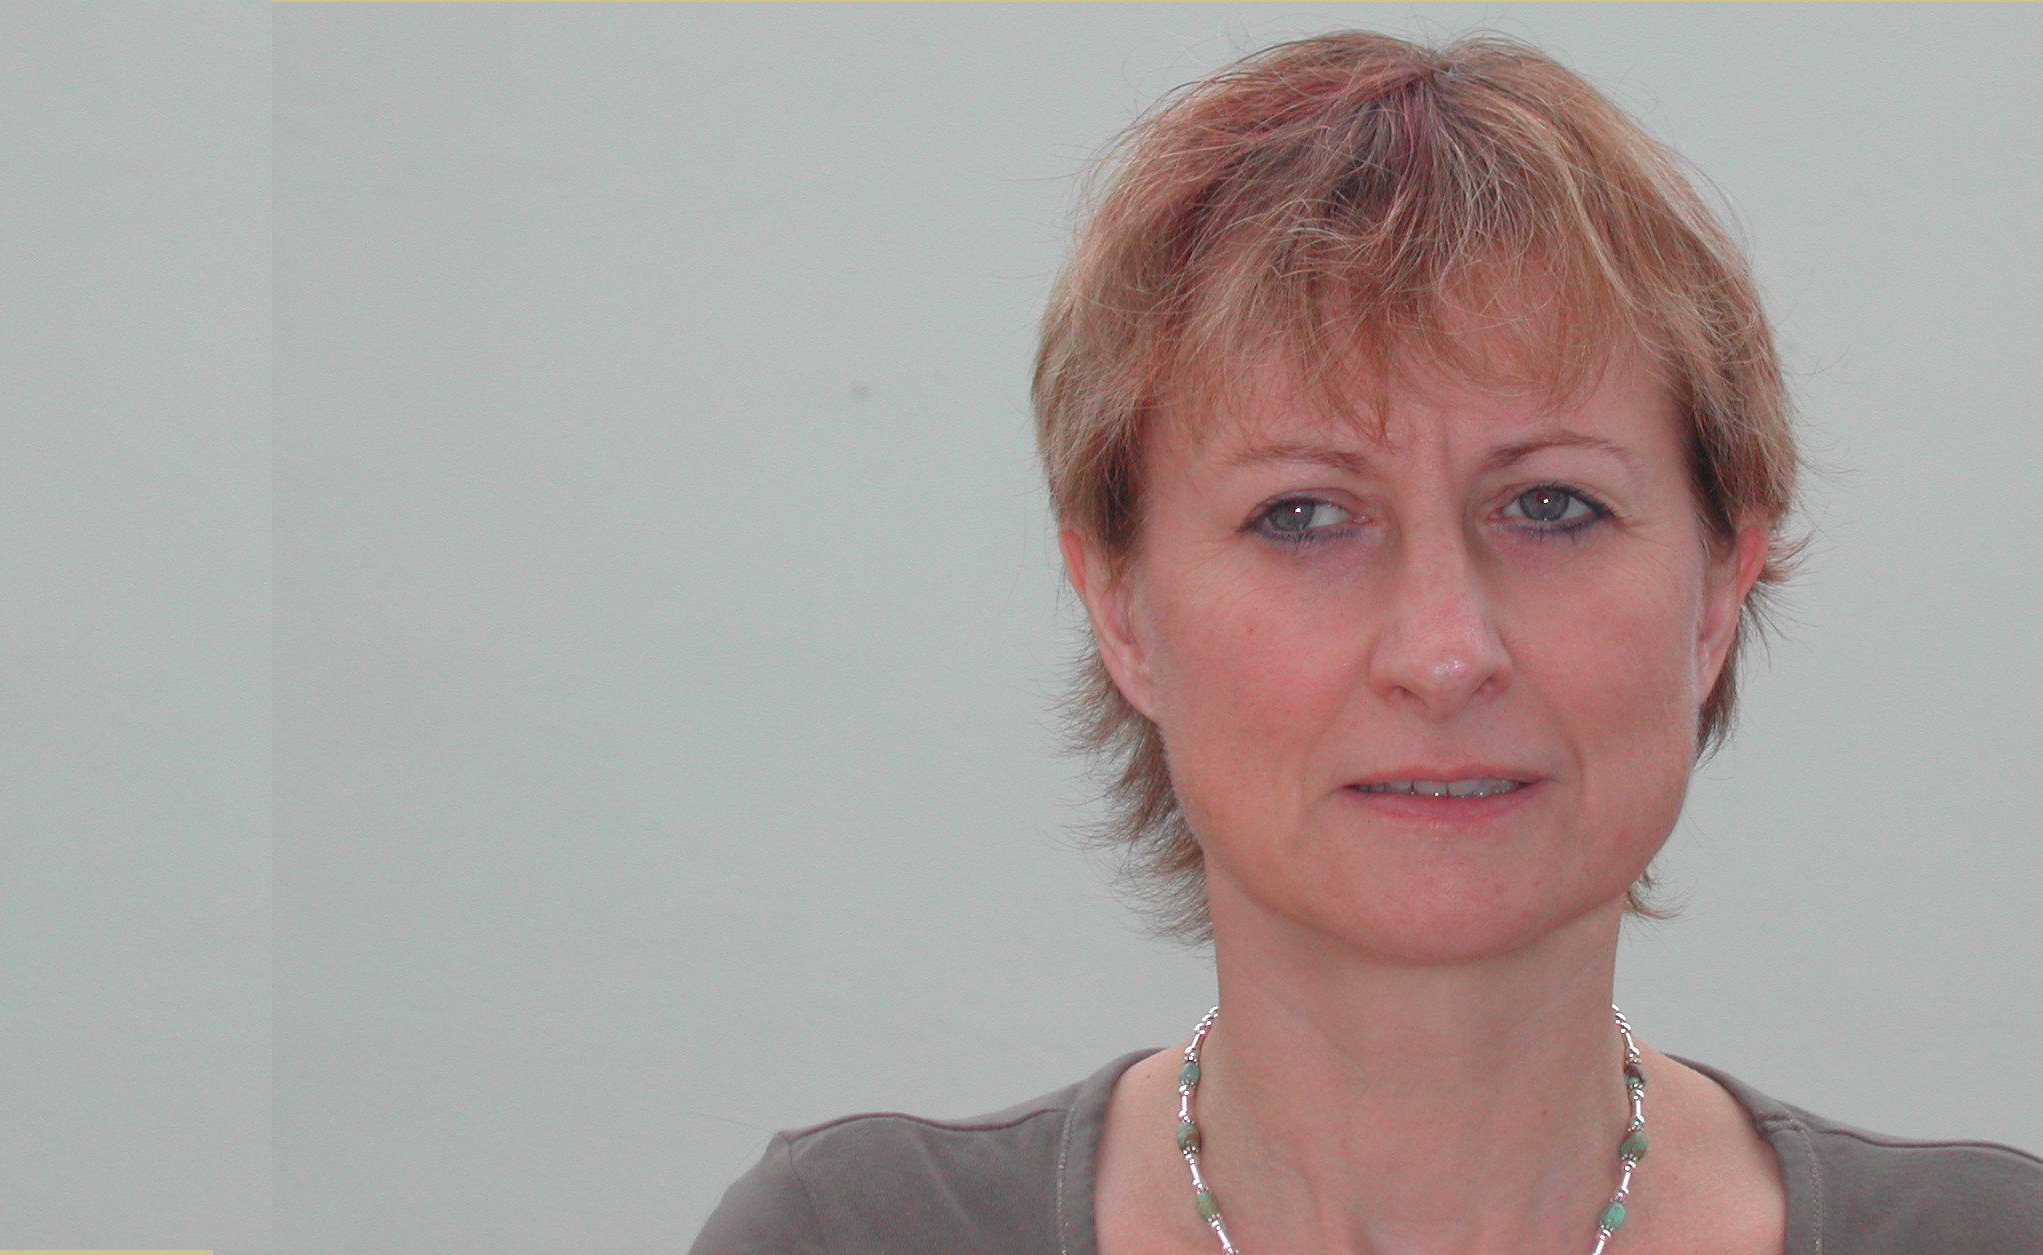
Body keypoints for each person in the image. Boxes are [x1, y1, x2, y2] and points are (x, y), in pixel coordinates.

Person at [688, 31, 2043, 1255]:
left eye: (1549, 506)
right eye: (1303, 516)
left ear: (1714, 592)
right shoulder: (849, 1237)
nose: (1443, 655)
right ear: (1121, 609)